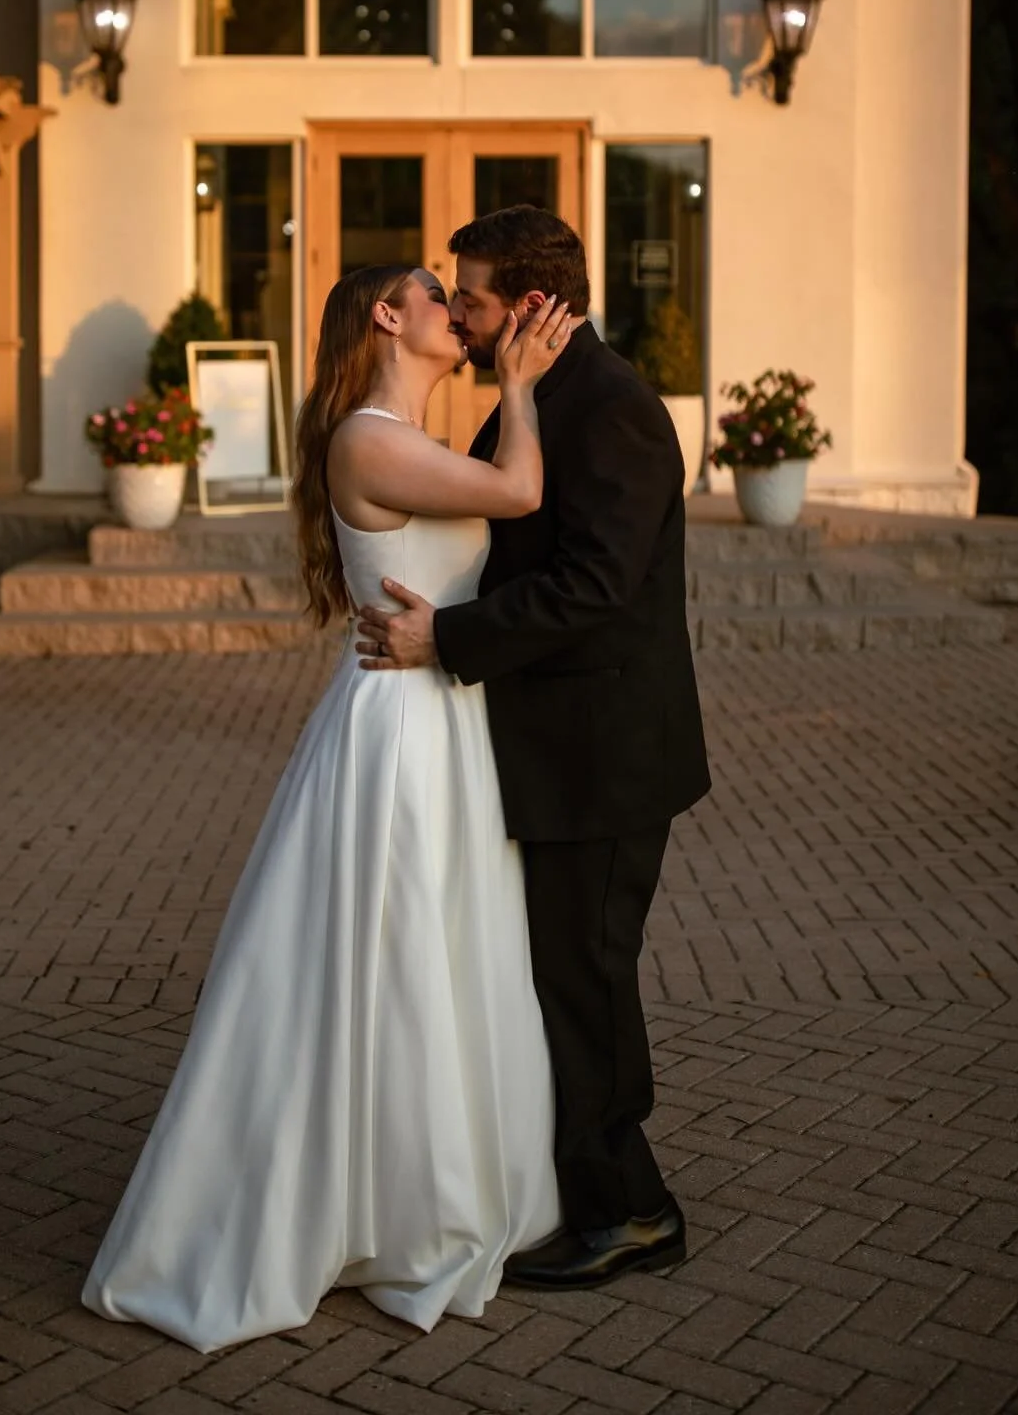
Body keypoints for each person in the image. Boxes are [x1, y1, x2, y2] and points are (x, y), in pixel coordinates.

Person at [82, 264, 575, 1353]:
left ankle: (404, 1195)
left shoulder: (410, 438)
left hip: (443, 717)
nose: (454, 309)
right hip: (398, 736)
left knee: (436, 955)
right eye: (433, 293)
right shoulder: (367, 439)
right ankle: (366, 1211)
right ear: (386, 318)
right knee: (389, 959)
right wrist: (522, 387)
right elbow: (519, 493)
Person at [357, 206, 712, 1290]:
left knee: (586, 980)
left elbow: (593, 587)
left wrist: (447, 639)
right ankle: (576, 1189)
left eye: (470, 298)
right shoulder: (538, 400)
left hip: (603, 756)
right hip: (549, 750)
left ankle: (633, 1212)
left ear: (532, 305)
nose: (461, 317)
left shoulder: (612, 410)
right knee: (558, 978)